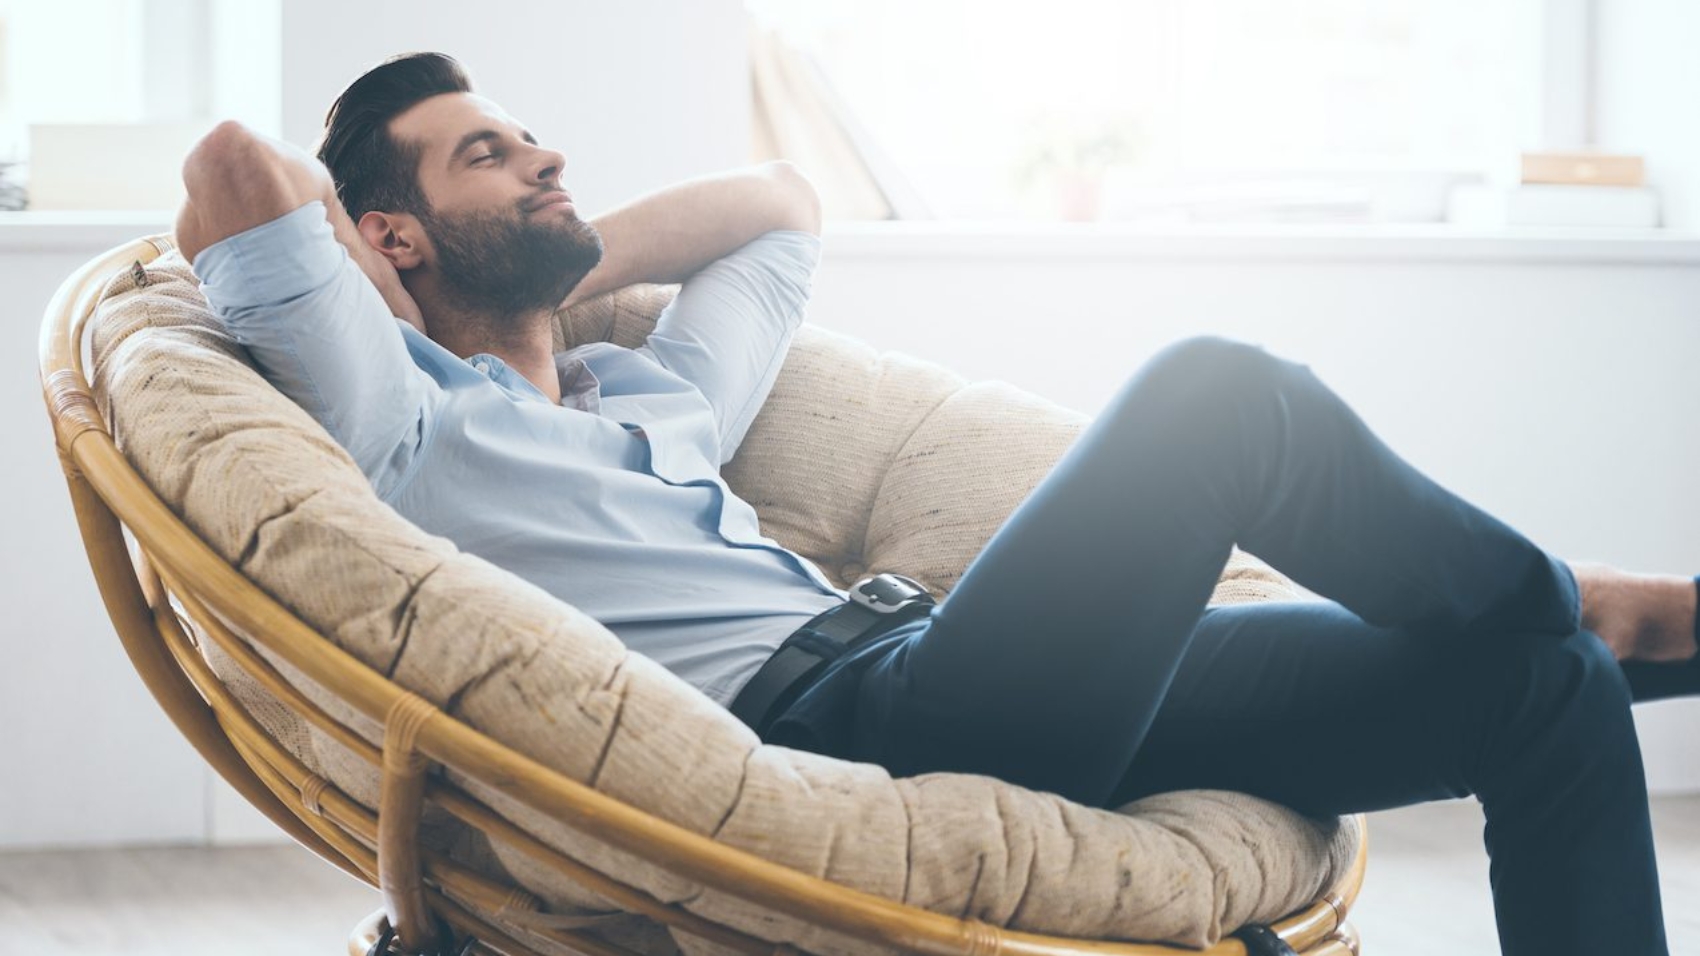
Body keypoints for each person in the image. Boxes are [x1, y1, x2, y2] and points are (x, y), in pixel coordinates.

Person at [174, 52, 1700, 956]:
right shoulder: (405, 424)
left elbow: (781, 206)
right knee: (1218, 394)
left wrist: (555, 259)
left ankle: (1560, 624)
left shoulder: (652, 396)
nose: (546, 156)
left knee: (1540, 692)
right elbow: (234, 169)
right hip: (847, 727)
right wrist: (388, 288)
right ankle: (1578, 591)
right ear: (387, 236)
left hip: (954, 668)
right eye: (489, 156)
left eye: (530, 139)